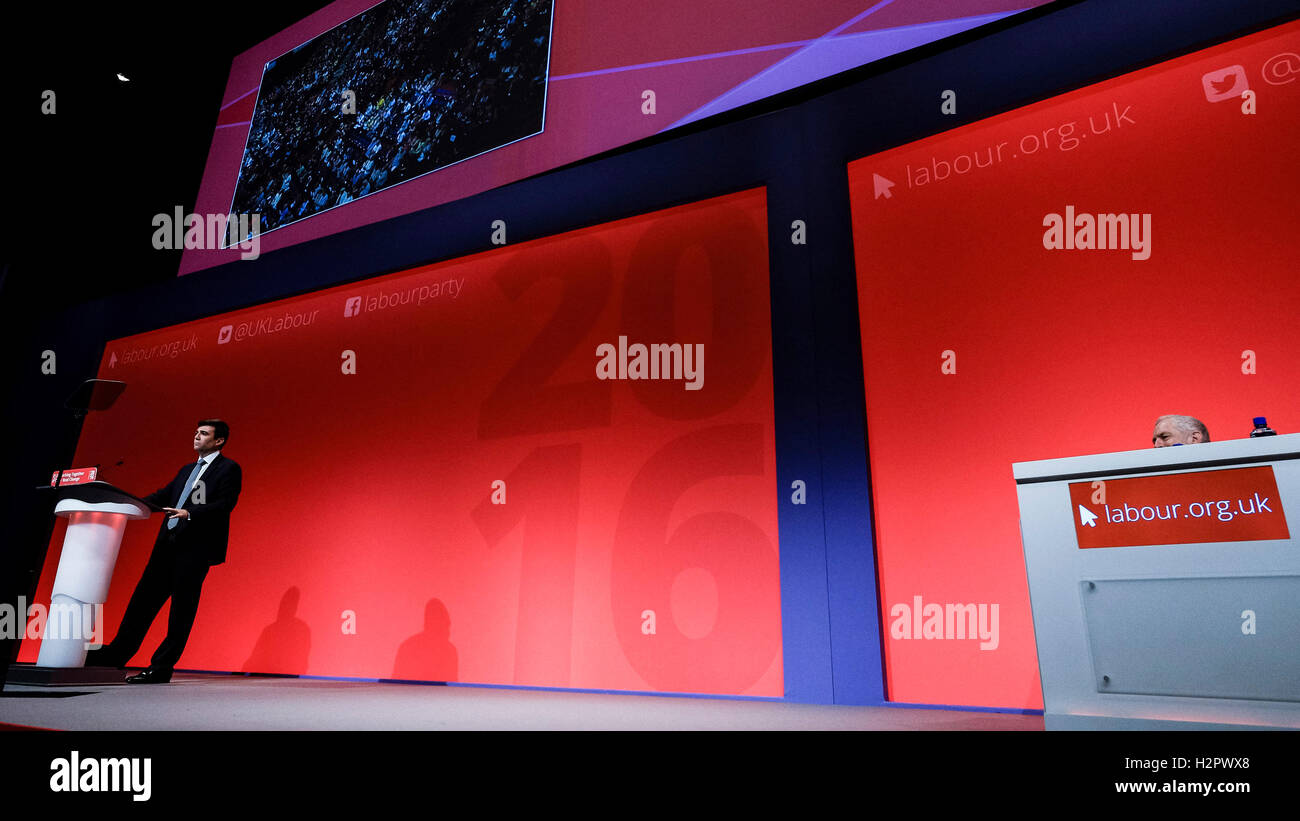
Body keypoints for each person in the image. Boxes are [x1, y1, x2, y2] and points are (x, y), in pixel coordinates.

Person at [85, 419, 242, 683]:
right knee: (141, 604)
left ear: (219, 441)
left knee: (181, 610)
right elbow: (162, 496)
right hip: (167, 545)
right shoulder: (186, 470)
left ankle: (161, 667)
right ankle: (114, 657)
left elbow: (226, 504)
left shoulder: (228, 469)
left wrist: (190, 512)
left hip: (194, 550)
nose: (196, 436)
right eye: (196, 432)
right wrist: (125, 503)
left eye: (204, 434)